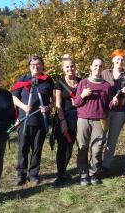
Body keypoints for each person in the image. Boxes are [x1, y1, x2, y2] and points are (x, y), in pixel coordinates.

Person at [12, 55, 54, 186]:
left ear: (42, 66)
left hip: (40, 121)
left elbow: (55, 100)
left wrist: (47, 107)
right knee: (23, 149)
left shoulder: (48, 81)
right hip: (25, 121)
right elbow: (14, 98)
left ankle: (34, 174)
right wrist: (24, 106)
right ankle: (21, 175)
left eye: (38, 64)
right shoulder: (22, 79)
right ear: (29, 66)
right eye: (33, 64)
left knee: (37, 149)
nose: (36, 66)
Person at [74, 58, 114, 185]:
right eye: (95, 65)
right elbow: (76, 102)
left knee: (97, 149)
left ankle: (94, 173)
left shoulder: (107, 86)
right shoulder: (83, 83)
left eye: (100, 66)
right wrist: (83, 95)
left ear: (103, 68)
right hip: (83, 120)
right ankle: (83, 173)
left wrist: (114, 103)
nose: (98, 68)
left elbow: (108, 106)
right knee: (82, 147)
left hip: (100, 120)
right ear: (90, 67)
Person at [52, 57, 81, 187]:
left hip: (77, 119)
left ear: (75, 67)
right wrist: (62, 121)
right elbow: (58, 103)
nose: (70, 69)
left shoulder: (81, 82)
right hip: (63, 117)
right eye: (67, 67)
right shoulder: (59, 82)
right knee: (62, 147)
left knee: (70, 146)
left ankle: (63, 172)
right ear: (63, 68)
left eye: (72, 66)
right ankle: (59, 176)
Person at [101, 49, 125, 172]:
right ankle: (95, 162)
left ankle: (106, 165)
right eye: (118, 58)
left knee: (112, 140)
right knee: (100, 138)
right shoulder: (104, 73)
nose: (120, 61)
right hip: (104, 111)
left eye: (122, 59)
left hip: (119, 112)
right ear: (113, 59)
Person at [0, 66, 15, 201]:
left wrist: (13, 124)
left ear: (1, 77)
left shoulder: (7, 94)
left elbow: (11, 115)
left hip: (1, 137)